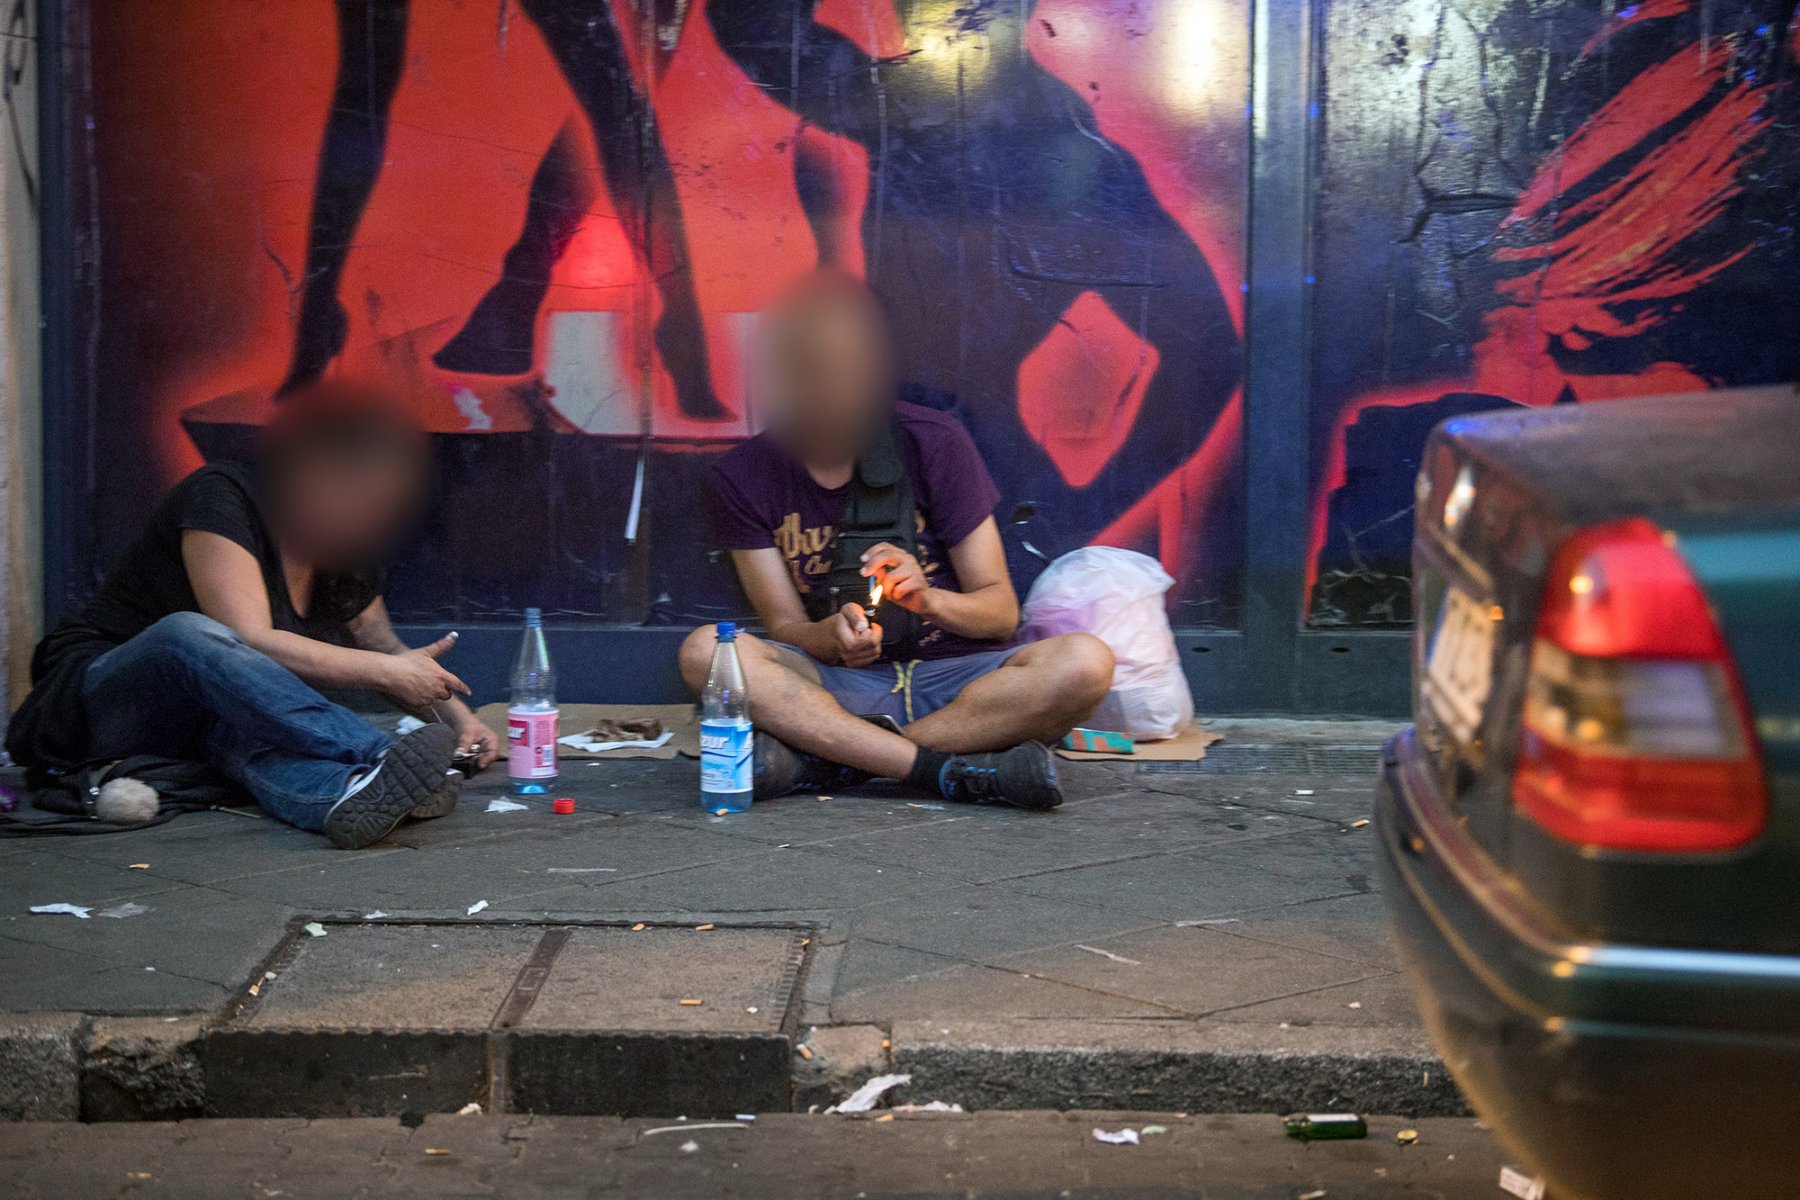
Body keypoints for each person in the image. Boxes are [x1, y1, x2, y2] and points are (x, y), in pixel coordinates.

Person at [680, 271, 1115, 810]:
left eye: (850, 369)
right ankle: (938, 769)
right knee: (707, 652)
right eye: (815, 370)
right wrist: (832, 638)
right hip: (836, 684)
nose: (834, 388)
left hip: (957, 684)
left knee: (1085, 663)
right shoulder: (744, 476)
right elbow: (785, 628)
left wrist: (927, 599)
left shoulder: (934, 442)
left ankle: (833, 762)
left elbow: (1000, 612)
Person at [5, 382, 500, 849]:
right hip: (107, 703)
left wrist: (461, 722)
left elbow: (384, 647)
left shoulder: (342, 546)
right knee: (188, 632)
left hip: (202, 721)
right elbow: (246, 637)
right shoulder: (222, 495)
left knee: (247, 735)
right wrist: (388, 678)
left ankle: (345, 797)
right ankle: (373, 752)